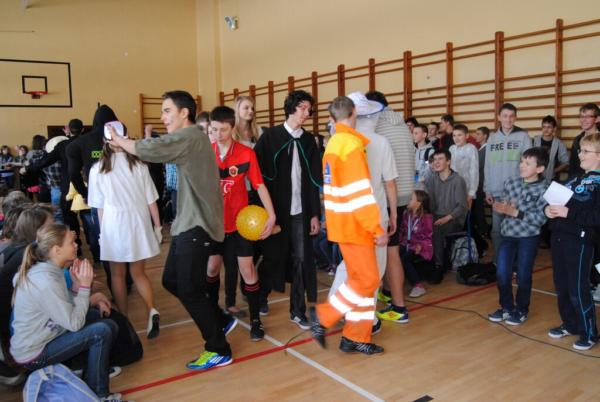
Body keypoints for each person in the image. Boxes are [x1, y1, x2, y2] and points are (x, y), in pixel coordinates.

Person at [108, 90, 233, 370]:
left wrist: (119, 140)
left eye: (167, 111)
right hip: (188, 224)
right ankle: (220, 320)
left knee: (189, 289)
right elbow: (158, 148)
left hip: (197, 226)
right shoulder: (191, 139)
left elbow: (152, 149)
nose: (163, 117)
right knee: (172, 281)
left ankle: (218, 348)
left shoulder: (190, 136)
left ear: (184, 113)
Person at [311, 96, 388, 355]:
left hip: (342, 224)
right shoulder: (350, 145)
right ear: (354, 113)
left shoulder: (333, 144)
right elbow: (360, 193)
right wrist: (376, 228)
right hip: (356, 226)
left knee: (360, 281)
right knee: (369, 280)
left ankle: (355, 337)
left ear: (332, 118)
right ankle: (323, 316)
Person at [10, 223, 121, 401]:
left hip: (46, 336)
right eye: (71, 242)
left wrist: (76, 288)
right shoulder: (46, 280)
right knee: (101, 331)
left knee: (98, 318)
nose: (76, 244)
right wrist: (84, 288)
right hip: (34, 354)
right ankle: (99, 394)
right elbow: (74, 323)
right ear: (57, 250)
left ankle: (86, 370)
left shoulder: (52, 270)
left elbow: (64, 307)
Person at [328, 92, 398, 334]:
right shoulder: (374, 142)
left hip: (346, 219)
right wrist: (392, 215)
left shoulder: (336, 142)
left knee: (348, 266)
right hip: (372, 215)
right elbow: (389, 183)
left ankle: (336, 309)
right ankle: (362, 320)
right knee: (373, 271)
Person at [206, 106, 276, 341]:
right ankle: (215, 316)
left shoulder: (246, 153)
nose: (218, 135)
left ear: (232, 127)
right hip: (215, 225)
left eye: (223, 130)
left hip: (240, 224)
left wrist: (271, 216)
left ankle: (256, 320)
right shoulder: (206, 153)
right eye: (214, 129)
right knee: (212, 269)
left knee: (247, 270)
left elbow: (259, 186)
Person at [254, 90, 322, 328]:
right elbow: (257, 177)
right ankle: (260, 296)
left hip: (301, 211)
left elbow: (313, 181)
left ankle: (297, 310)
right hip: (275, 211)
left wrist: (315, 214)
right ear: (291, 108)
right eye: (303, 108)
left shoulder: (308, 141)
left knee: (301, 260)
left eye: (309, 109)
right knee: (273, 257)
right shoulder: (270, 137)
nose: (307, 113)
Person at [88, 132, 162, 339]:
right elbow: (151, 201)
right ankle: (151, 310)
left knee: (118, 275)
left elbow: (100, 208)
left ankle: (125, 321)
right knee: (139, 273)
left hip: (114, 226)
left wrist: (101, 233)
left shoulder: (97, 169)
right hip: (139, 223)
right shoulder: (140, 166)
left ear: (105, 142)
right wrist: (157, 227)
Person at [545, 133, 600, 350]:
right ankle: (570, 324)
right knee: (562, 286)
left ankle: (589, 332)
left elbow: (596, 217)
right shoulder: (573, 178)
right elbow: (555, 201)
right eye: (580, 150)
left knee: (578, 288)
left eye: (585, 151)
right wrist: (548, 210)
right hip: (559, 237)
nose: (580, 154)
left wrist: (569, 213)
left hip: (580, 241)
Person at [365, 90, 413, 326]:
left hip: (389, 196)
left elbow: (383, 173)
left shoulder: (377, 128)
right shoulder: (401, 124)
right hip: (405, 192)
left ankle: (399, 307)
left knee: (389, 252)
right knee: (389, 250)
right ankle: (387, 292)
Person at [488, 147, 548, 325]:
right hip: (508, 235)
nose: (522, 165)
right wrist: (501, 207)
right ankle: (506, 307)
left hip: (528, 237)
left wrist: (515, 212)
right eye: (522, 161)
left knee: (523, 274)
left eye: (528, 163)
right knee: (502, 273)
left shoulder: (545, 189)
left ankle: (521, 309)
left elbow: (540, 219)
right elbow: (505, 205)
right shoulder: (511, 182)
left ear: (540, 168)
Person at [484, 103, 532, 266]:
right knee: (497, 230)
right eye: (505, 116)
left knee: (515, 230)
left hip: (516, 193)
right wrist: (487, 190)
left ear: (515, 117)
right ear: (499, 117)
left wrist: (525, 189)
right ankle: (500, 261)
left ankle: (516, 262)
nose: (508, 119)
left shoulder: (523, 137)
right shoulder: (492, 138)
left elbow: (530, 165)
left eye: (511, 116)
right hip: (496, 192)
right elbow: (488, 165)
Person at [425, 149, 468, 277]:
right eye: (434, 160)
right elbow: (430, 203)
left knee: (436, 228)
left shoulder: (458, 180)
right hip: (437, 216)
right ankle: (426, 262)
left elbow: (462, 207)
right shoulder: (432, 179)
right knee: (423, 225)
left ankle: (438, 266)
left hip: (454, 218)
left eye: (440, 159)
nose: (436, 162)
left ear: (448, 162)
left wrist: (446, 218)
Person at [389, 190, 433, 301]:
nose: (408, 200)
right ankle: (392, 284)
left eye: (411, 198)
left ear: (419, 203)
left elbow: (427, 236)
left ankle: (418, 286)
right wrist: (398, 243)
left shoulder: (426, 218)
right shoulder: (407, 214)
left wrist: (420, 245)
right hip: (406, 244)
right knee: (394, 257)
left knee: (404, 260)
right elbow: (402, 231)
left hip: (421, 247)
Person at [449, 124, 479, 208]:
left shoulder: (471, 148)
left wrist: (471, 192)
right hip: (452, 187)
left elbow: (474, 171)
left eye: (459, 135)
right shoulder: (451, 148)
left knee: (464, 212)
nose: (456, 138)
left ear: (467, 136)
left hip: (466, 188)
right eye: (454, 135)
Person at [533, 115, 568, 182]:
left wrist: (553, 171)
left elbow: (566, 162)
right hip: (535, 177)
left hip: (552, 179)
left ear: (554, 128)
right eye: (544, 127)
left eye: (549, 127)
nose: (546, 130)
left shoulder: (559, 144)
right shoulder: (534, 141)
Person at [568, 103, 599, 176]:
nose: (583, 120)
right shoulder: (577, 140)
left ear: (597, 119)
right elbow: (573, 166)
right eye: (581, 116)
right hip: (581, 180)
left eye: (588, 116)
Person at [472, 126, 490, 238]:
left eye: (478, 134)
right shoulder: (481, 149)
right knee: (477, 207)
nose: (476, 136)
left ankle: (483, 229)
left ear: (485, 136)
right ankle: (481, 228)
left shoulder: (486, 149)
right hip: (479, 182)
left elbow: (477, 166)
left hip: (481, 182)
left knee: (479, 208)